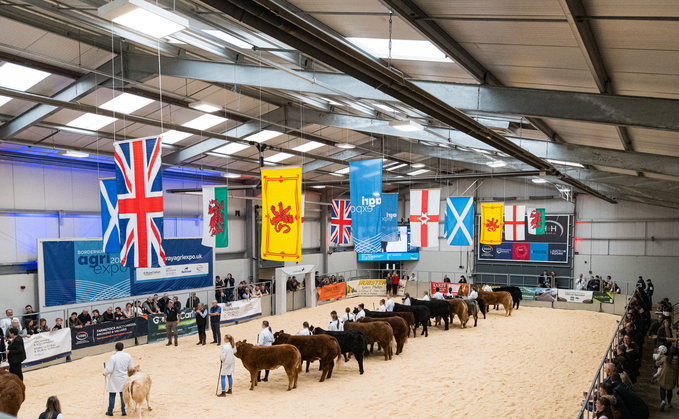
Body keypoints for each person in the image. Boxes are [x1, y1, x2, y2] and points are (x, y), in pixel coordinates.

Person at [103, 342, 134, 417]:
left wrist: (105, 373)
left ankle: (110, 411)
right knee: (123, 395)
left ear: (115, 348)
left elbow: (109, 369)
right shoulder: (128, 356)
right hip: (124, 378)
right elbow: (130, 368)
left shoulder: (113, 357)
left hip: (114, 379)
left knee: (112, 395)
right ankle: (123, 411)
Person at [656, 344, 679, 411]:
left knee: (662, 388)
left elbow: (657, 363)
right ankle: (669, 403)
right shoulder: (678, 361)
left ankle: (663, 400)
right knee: (670, 390)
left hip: (664, 376)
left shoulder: (666, 358)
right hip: (672, 378)